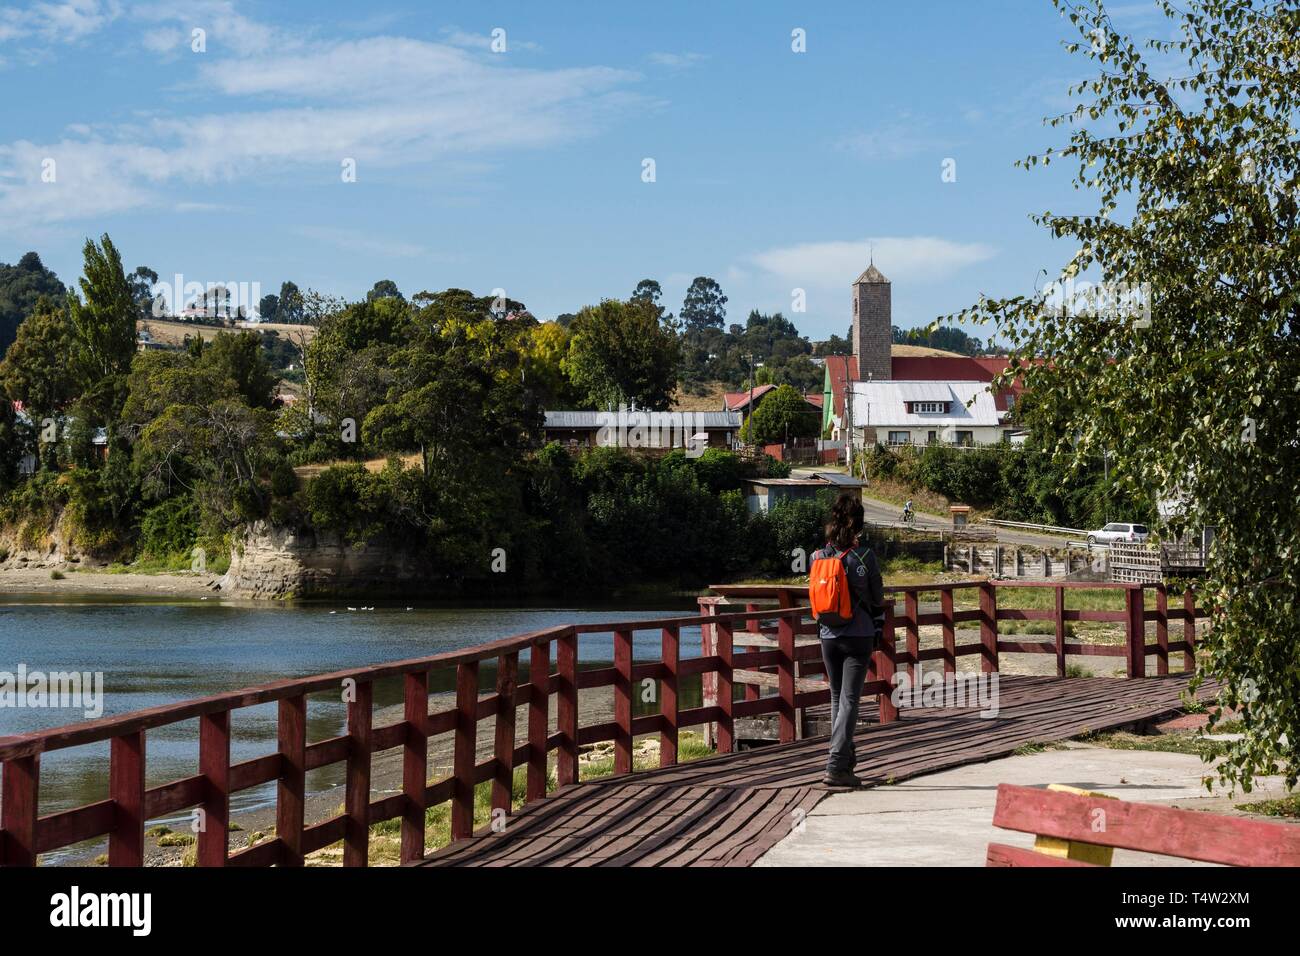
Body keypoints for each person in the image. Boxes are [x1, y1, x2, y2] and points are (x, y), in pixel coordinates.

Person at [812, 492, 885, 788]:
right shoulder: (865, 556)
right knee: (850, 699)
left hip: (828, 635)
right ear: (859, 525)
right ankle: (836, 764)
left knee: (836, 697)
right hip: (859, 634)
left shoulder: (818, 556)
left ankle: (845, 757)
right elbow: (878, 599)